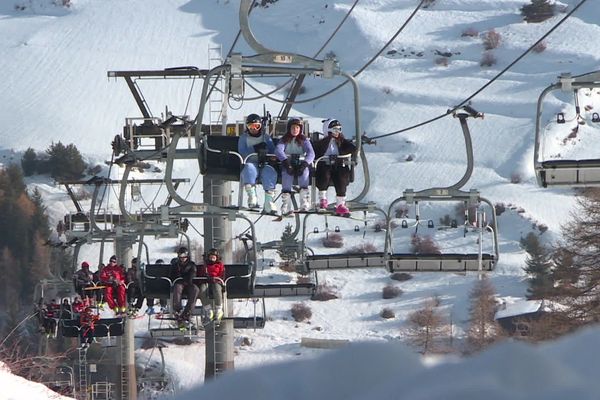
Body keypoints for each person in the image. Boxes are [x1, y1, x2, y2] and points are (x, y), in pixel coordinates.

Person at [313, 118, 357, 216]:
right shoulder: (322, 143)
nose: (337, 132)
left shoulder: (341, 141)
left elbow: (352, 149)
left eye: (339, 130)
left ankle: (340, 203)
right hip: (324, 164)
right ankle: (323, 200)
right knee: (324, 175)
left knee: (342, 177)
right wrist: (328, 139)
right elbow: (316, 151)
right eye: (334, 130)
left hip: (338, 165)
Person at [238, 113, 278, 214]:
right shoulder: (243, 138)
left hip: (264, 163)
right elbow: (242, 153)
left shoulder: (266, 137)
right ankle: (252, 196)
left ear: (260, 126)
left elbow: (273, 152)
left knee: (270, 172)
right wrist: (255, 149)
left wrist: (267, 153)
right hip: (251, 162)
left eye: (256, 126)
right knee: (248, 169)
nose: (253, 129)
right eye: (250, 126)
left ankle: (269, 202)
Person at [275, 117, 315, 214]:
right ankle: (286, 204)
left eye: (297, 128)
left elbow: (311, 153)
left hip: (300, 163)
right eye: (293, 128)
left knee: (304, 174)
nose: (295, 130)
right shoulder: (284, 139)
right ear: (289, 128)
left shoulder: (304, 140)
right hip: (288, 163)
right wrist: (285, 162)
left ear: (300, 129)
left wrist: (305, 164)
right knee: (286, 175)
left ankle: (304, 201)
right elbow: (278, 150)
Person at [170, 247, 200, 324]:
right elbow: (173, 275)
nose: (183, 258)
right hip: (179, 283)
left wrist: (186, 279)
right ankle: (178, 310)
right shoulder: (176, 265)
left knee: (195, 289)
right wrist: (180, 279)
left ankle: (187, 312)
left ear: (187, 256)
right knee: (177, 287)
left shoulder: (191, 265)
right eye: (181, 256)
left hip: (189, 284)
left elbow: (192, 274)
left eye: (184, 256)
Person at [198, 248, 225, 322]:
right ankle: (208, 309)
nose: (212, 259)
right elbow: (201, 274)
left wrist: (216, 279)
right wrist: (205, 277)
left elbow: (222, 275)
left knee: (216, 289)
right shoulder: (205, 265)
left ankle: (218, 309)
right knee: (202, 290)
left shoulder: (219, 265)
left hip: (216, 281)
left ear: (216, 257)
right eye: (210, 257)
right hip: (207, 281)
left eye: (214, 257)